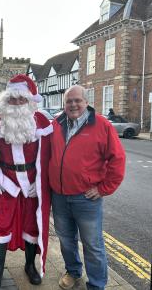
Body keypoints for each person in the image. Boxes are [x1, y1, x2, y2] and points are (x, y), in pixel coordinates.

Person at [48, 85, 125, 290]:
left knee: (93, 245)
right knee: (66, 240)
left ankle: (97, 285)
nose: (73, 104)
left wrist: (103, 188)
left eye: (77, 100)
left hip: (86, 198)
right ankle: (73, 271)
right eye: (68, 101)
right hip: (59, 196)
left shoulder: (102, 125)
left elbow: (117, 159)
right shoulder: (56, 123)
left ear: (86, 102)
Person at [0, 74, 53, 288]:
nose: (17, 102)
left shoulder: (40, 122)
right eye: (12, 98)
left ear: (30, 100)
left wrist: (39, 181)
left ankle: (29, 265)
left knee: (32, 225)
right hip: (5, 181)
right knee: (0, 224)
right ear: (6, 99)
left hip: (32, 183)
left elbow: (48, 154)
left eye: (21, 99)